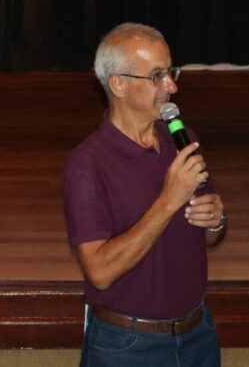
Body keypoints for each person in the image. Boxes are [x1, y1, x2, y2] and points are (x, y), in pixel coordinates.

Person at [63, 23, 227, 366]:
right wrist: (168, 201)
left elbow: (210, 237)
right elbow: (100, 272)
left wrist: (215, 220)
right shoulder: (87, 164)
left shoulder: (182, 138)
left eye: (171, 72)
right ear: (118, 84)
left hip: (198, 334)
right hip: (128, 344)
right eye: (156, 76)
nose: (172, 86)